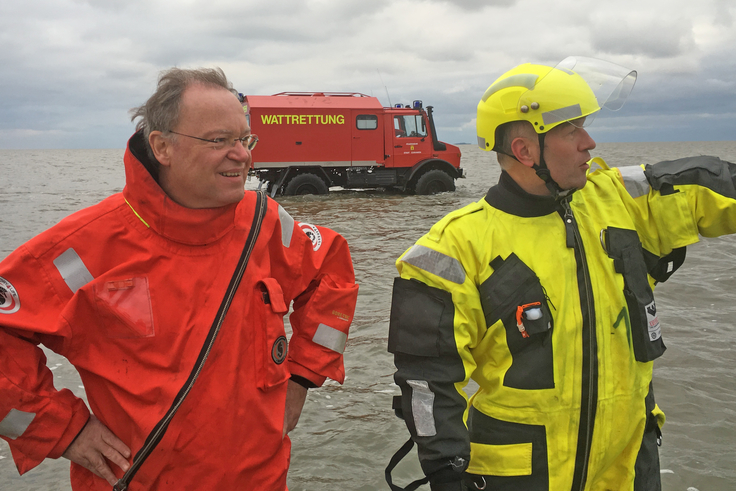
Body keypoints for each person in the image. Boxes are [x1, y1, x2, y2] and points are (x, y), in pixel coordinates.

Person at [386, 56, 736, 491]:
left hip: (629, 468)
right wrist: (446, 474)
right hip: (520, 477)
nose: (589, 142)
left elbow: (704, 186)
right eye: (572, 130)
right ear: (525, 151)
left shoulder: (616, 200)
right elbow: (427, 384)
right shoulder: (452, 249)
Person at [0, 67, 359, 490]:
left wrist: (301, 377)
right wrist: (64, 429)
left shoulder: (265, 222)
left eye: (244, 139)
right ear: (162, 146)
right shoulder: (86, 246)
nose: (242, 155)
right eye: (219, 140)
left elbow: (331, 274)